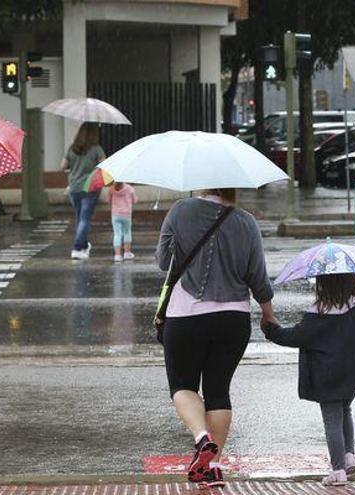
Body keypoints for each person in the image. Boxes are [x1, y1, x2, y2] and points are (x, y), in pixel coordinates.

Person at [155, 188, 276, 488]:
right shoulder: (246, 222)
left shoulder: (180, 211)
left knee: (182, 386)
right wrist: (268, 314)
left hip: (186, 315)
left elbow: (162, 261)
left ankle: (201, 438)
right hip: (233, 318)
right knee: (218, 390)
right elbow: (257, 276)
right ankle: (215, 466)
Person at [262, 272, 355, 487]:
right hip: (353, 371)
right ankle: (349, 454)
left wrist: (271, 330)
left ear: (324, 283)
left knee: (332, 419)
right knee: (345, 410)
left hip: (327, 374)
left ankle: (338, 470)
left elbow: (296, 337)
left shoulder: (320, 309)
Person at [61, 122, 106, 260]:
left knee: (80, 218)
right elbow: (104, 165)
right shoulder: (96, 149)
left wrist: (75, 168)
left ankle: (84, 245)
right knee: (85, 218)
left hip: (74, 188)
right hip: (90, 187)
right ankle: (77, 248)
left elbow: (62, 166)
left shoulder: (72, 148)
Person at [108, 182, 138, 262]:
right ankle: (127, 253)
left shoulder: (111, 189)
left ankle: (117, 255)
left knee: (117, 234)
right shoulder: (130, 189)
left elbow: (109, 200)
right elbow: (135, 200)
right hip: (126, 215)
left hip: (115, 215)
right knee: (127, 232)